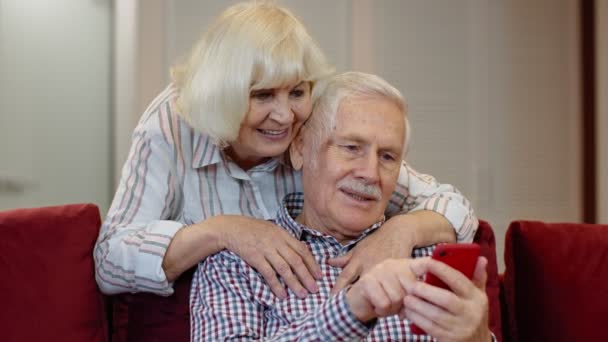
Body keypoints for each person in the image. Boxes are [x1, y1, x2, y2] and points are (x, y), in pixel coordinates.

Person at [94, 1, 477, 302]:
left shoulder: (313, 125)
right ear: (223, 95)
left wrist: (401, 230)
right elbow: (110, 260)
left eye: (296, 91)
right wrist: (223, 230)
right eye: (262, 95)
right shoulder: (172, 124)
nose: (284, 116)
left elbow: (450, 205)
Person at [190, 72, 493, 341]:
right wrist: (350, 310)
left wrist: (477, 338)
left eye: (387, 157)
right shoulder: (237, 262)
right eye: (351, 148)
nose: (370, 173)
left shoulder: (428, 258)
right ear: (300, 148)